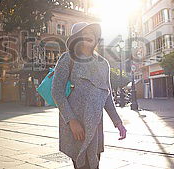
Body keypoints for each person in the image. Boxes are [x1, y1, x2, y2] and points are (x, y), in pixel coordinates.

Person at [51, 22, 127, 169]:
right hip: (76, 125)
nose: (89, 35)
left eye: (91, 33)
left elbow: (107, 96)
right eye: (84, 33)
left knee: (95, 162)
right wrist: (71, 121)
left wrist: (118, 122)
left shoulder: (103, 63)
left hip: (95, 124)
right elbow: (57, 92)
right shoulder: (67, 59)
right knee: (82, 164)